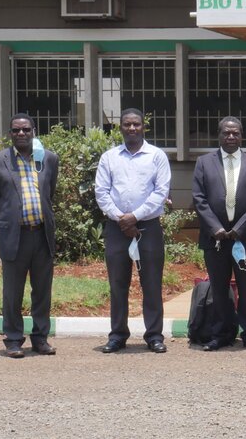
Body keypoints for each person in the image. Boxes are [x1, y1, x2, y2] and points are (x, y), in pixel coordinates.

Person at [95, 108, 171, 354]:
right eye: (127, 124)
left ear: (143, 127)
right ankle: (117, 335)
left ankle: (154, 336)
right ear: (120, 128)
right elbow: (101, 192)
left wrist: (134, 217)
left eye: (136, 124)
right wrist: (121, 219)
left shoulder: (157, 156)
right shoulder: (109, 157)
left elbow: (161, 192)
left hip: (148, 227)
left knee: (151, 284)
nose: (131, 128)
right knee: (118, 285)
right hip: (117, 229)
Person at [0, 114, 59, 358]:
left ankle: (40, 338)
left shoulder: (47, 159)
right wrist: (5, 226)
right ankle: (13, 340)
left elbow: (50, 193)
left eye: (26, 129)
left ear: (34, 131)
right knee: (12, 292)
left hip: (42, 235)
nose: (21, 134)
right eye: (16, 130)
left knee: (42, 291)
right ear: (10, 134)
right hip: (14, 236)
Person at [192, 117, 246, 351]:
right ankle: (222, 333)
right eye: (226, 133)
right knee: (219, 288)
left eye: (235, 133)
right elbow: (199, 199)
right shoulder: (204, 163)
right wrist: (217, 229)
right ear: (219, 135)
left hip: (245, 239)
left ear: (242, 135)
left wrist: (239, 229)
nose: (231, 137)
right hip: (215, 239)